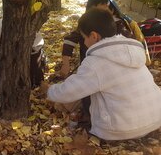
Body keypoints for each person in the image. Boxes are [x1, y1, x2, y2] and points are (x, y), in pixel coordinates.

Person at [47, 8, 161, 141]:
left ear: (94, 36)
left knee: (77, 104)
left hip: (119, 130)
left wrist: (49, 91)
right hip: (155, 119)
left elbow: (68, 92)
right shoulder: (132, 52)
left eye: (84, 37)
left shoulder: (95, 62)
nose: (84, 42)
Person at [59, 0, 148, 78]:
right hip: (89, 69)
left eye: (102, 13)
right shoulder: (88, 23)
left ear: (112, 11)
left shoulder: (120, 26)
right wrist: (65, 64)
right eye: (95, 13)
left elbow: (133, 47)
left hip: (114, 73)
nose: (99, 17)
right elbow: (70, 39)